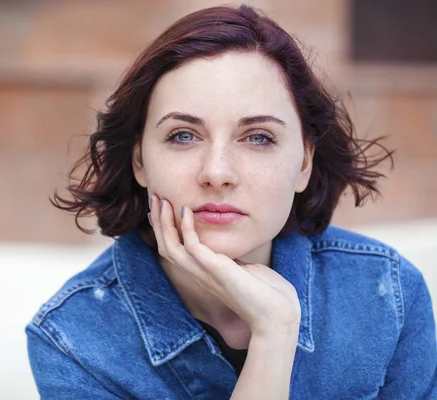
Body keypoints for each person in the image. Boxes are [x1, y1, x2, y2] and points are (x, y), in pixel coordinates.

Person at [25, 5, 437, 399]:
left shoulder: (388, 296)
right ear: (140, 162)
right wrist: (273, 335)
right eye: (183, 135)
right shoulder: (73, 338)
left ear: (304, 164)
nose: (217, 172)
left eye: (258, 137)